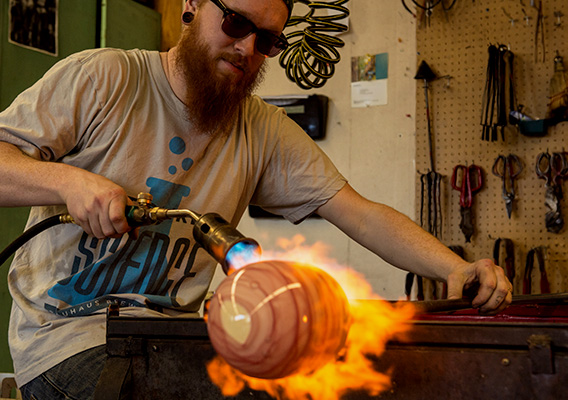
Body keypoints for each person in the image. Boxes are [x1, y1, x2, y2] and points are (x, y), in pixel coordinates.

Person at [0, 0, 512, 398]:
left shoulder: (262, 130)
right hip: (68, 338)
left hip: (179, 342)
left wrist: (454, 268)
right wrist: (67, 182)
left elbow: (360, 213)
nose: (248, 49)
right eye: (236, 23)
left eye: (267, 39)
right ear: (192, 5)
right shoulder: (105, 78)